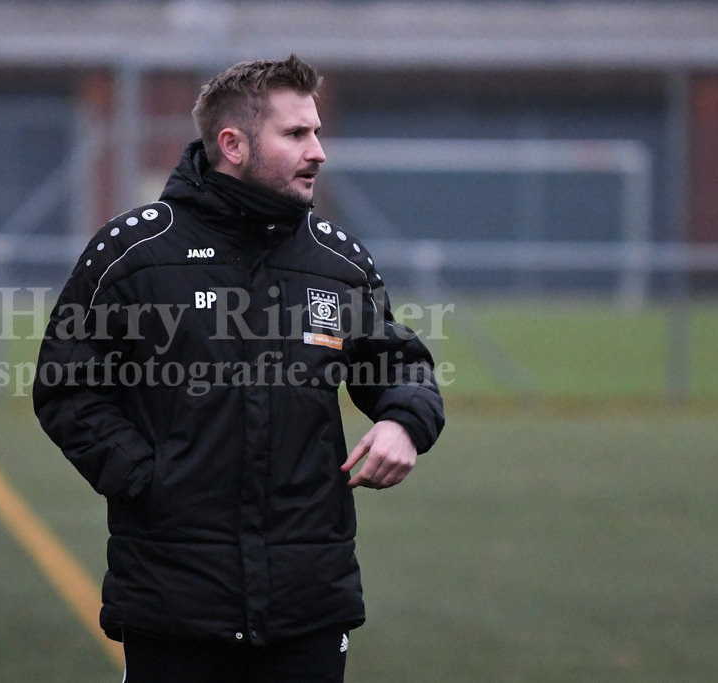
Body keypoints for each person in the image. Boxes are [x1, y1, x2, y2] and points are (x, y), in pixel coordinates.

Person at [33, 55, 445, 682]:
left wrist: (404, 421)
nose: (318, 151)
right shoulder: (134, 253)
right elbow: (66, 387)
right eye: (296, 134)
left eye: (316, 132)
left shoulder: (337, 262)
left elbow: (400, 365)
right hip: (173, 599)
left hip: (307, 603)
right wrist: (150, 480)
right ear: (233, 144)